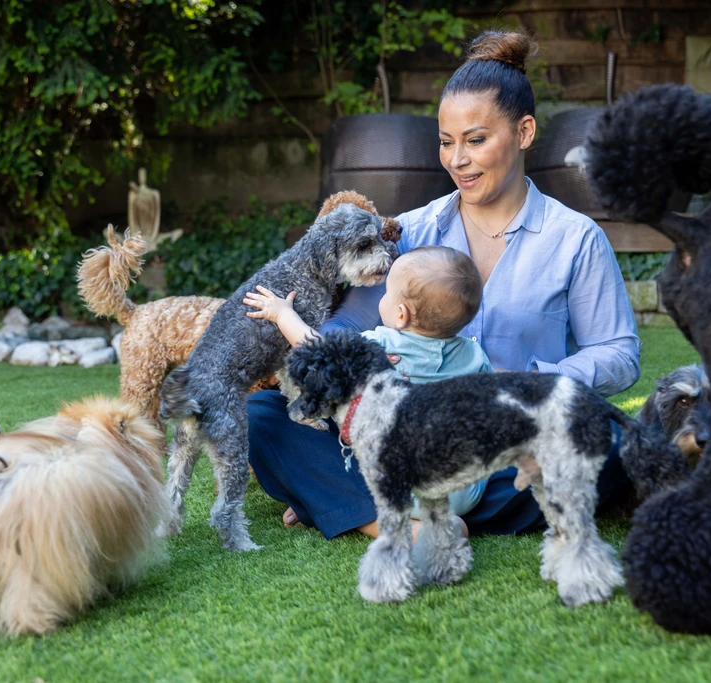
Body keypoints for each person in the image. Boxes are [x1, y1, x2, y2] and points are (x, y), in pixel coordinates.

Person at [246, 29, 641, 541]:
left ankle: (345, 501)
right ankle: (387, 518)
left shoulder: (576, 239)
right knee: (264, 413)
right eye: (446, 142)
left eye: (475, 140)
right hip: (403, 438)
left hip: (509, 444)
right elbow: (352, 321)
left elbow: (620, 352)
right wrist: (354, 354)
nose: (457, 159)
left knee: (611, 441)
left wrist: (536, 378)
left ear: (524, 132)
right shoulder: (410, 231)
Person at [244, 246, 494, 539]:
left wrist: (282, 314)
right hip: (466, 491)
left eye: (386, 293)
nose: (383, 298)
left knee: (261, 412)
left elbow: (316, 350)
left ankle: (394, 525)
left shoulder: (380, 344)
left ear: (401, 314)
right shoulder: (475, 355)